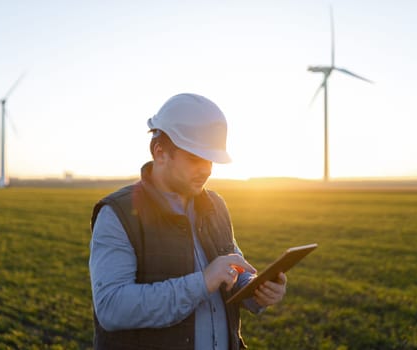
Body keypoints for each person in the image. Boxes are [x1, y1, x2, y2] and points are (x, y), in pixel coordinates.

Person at [89, 93, 287, 350]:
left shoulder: (216, 206)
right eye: (195, 158)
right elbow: (112, 307)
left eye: (210, 160)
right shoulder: (118, 214)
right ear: (160, 153)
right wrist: (202, 282)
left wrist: (255, 289)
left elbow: (231, 270)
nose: (206, 169)